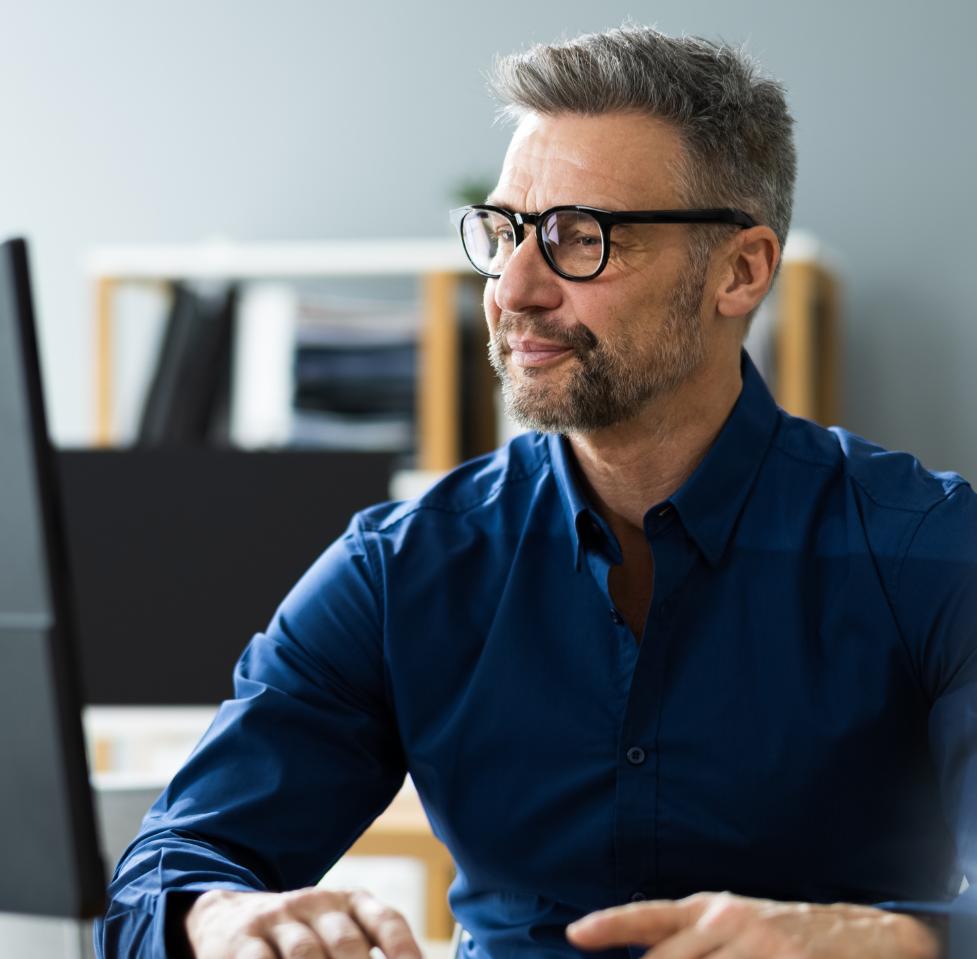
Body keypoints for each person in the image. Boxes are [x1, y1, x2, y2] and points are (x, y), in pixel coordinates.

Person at [96, 25, 976, 959]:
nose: (514, 287)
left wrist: (885, 942)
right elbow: (169, 868)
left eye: (578, 238)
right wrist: (224, 916)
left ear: (740, 269)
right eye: (506, 231)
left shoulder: (929, 551)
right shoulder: (402, 567)